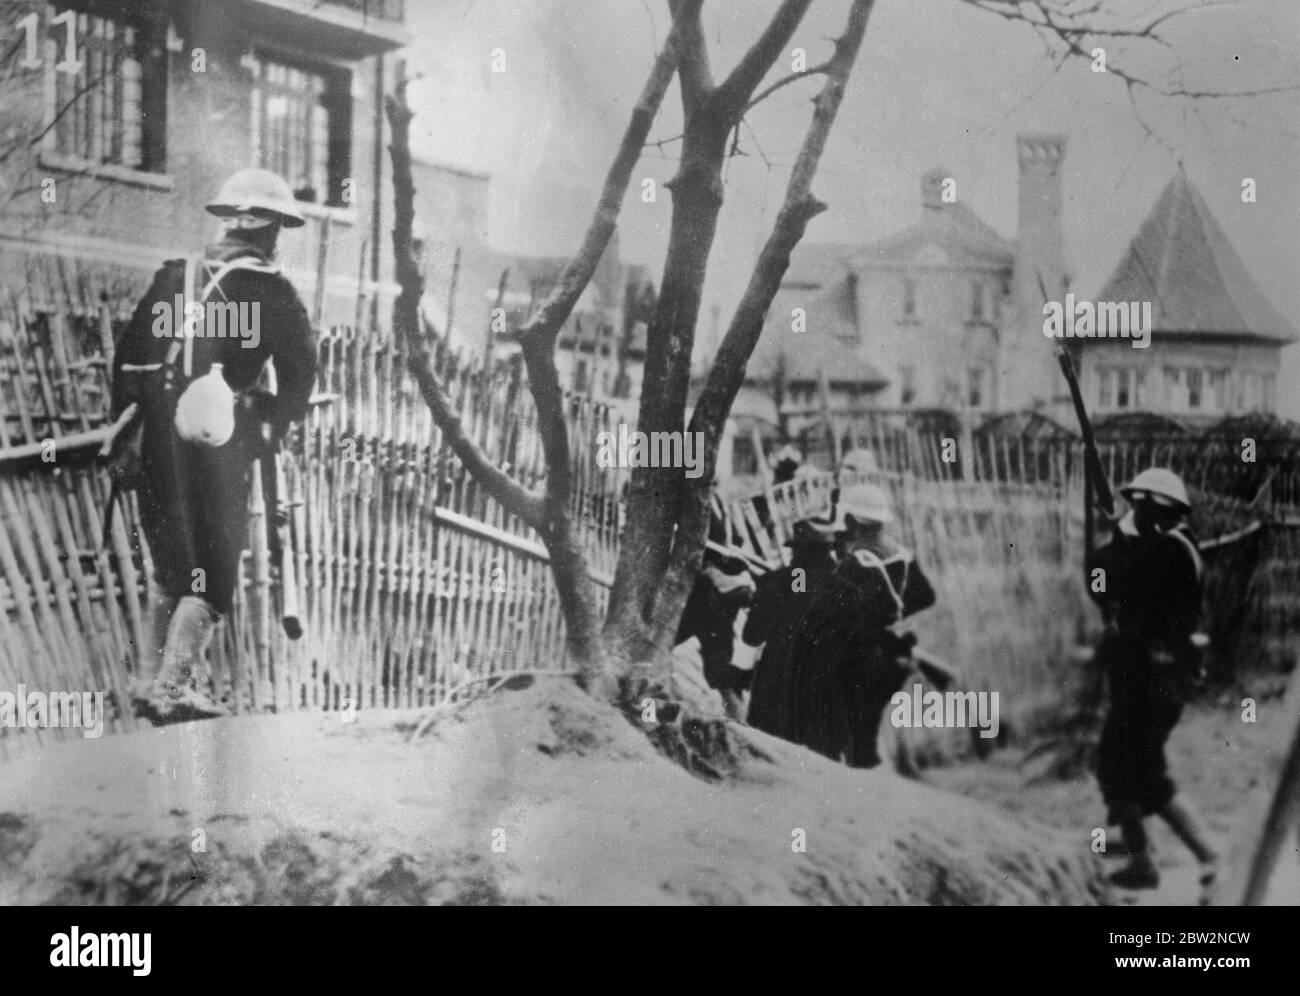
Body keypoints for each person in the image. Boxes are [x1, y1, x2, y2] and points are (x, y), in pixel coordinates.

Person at [110, 168, 319, 718]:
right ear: (272, 230)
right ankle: (174, 688)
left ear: (229, 223)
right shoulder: (273, 294)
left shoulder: (173, 280)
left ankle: (148, 680)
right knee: (216, 565)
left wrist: (130, 427)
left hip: (156, 442)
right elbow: (300, 377)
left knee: (171, 562)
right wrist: (263, 424)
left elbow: (128, 359)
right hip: (220, 447)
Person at [1088, 467, 1218, 897]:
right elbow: (1100, 587)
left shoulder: (1167, 551)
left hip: (1161, 677)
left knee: (1140, 768)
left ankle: (1209, 856)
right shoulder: (1170, 546)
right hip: (1152, 674)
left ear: (1155, 510)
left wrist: (1113, 541)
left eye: (1137, 507)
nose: (1132, 513)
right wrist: (1111, 544)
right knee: (1118, 759)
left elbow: (1116, 583)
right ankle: (1140, 853)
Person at [786, 483, 936, 767]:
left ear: (852, 520)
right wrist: (891, 619)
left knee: (844, 734)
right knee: (865, 733)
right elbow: (925, 596)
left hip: (856, 661)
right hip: (891, 656)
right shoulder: (903, 557)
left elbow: (823, 614)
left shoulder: (857, 564)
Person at [744, 514, 837, 740]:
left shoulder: (780, 582)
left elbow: (752, 636)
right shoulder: (843, 585)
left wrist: (765, 590)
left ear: (799, 550)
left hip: (778, 686)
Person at [673, 491, 755, 720]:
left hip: (709, 593)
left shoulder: (713, 498)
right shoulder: (698, 496)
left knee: (721, 674)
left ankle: (738, 724)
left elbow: (732, 541)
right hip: (701, 588)